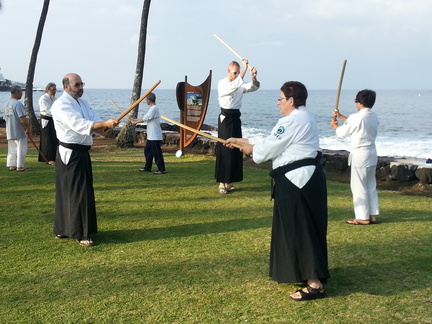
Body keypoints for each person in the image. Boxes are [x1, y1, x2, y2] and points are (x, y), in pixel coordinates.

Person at [225, 81, 330, 301]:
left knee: (298, 229)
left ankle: (314, 284)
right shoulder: (304, 117)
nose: (278, 102)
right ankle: (311, 273)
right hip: (307, 179)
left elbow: (268, 148)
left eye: (281, 98)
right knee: (307, 227)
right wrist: (242, 141)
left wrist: (250, 149)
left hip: (297, 181)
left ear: (291, 100)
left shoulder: (291, 120)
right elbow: (273, 140)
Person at [51, 73, 119, 247]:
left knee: (79, 191)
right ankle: (79, 233)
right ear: (66, 86)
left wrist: (103, 125)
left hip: (81, 153)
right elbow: (78, 124)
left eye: (82, 84)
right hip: (69, 153)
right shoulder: (60, 105)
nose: (81, 88)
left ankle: (66, 228)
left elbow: (93, 120)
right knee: (74, 192)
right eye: (77, 85)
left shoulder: (84, 103)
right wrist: (103, 125)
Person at [330, 89, 379, 225]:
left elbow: (341, 133)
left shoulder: (356, 118)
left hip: (360, 154)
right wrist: (340, 116)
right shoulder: (373, 116)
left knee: (359, 186)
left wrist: (335, 126)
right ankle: (372, 214)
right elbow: (355, 124)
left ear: (359, 102)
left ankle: (362, 217)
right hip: (371, 153)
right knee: (370, 184)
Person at [215, 59, 260, 194]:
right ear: (228, 71)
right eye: (235, 72)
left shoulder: (239, 84)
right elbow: (233, 86)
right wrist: (245, 69)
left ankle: (229, 183)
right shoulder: (222, 83)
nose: (237, 75)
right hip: (225, 119)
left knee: (236, 149)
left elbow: (254, 87)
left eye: (238, 73)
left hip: (236, 118)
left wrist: (254, 76)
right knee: (225, 149)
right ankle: (221, 183)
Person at [129, 92, 166, 174]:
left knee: (157, 153)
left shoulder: (154, 108)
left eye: (146, 99)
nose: (146, 101)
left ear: (149, 100)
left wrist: (134, 122)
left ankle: (161, 169)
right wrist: (133, 120)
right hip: (151, 136)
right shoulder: (152, 109)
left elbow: (146, 118)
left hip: (155, 136)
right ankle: (147, 167)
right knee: (147, 151)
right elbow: (145, 118)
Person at [3, 86, 32, 172]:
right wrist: (27, 128)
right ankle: (20, 166)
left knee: (12, 149)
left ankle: (12, 165)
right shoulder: (18, 104)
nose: (22, 94)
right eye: (21, 92)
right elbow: (22, 118)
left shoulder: (6, 104)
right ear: (17, 93)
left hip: (9, 130)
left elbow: (5, 118)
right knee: (21, 149)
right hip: (19, 130)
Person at [38, 82, 58, 165]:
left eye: (55, 89)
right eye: (53, 89)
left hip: (53, 120)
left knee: (54, 139)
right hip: (46, 120)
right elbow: (48, 110)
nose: (54, 91)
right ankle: (48, 159)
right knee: (47, 140)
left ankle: (54, 157)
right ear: (47, 89)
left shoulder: (53, 98)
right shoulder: (44, 99)